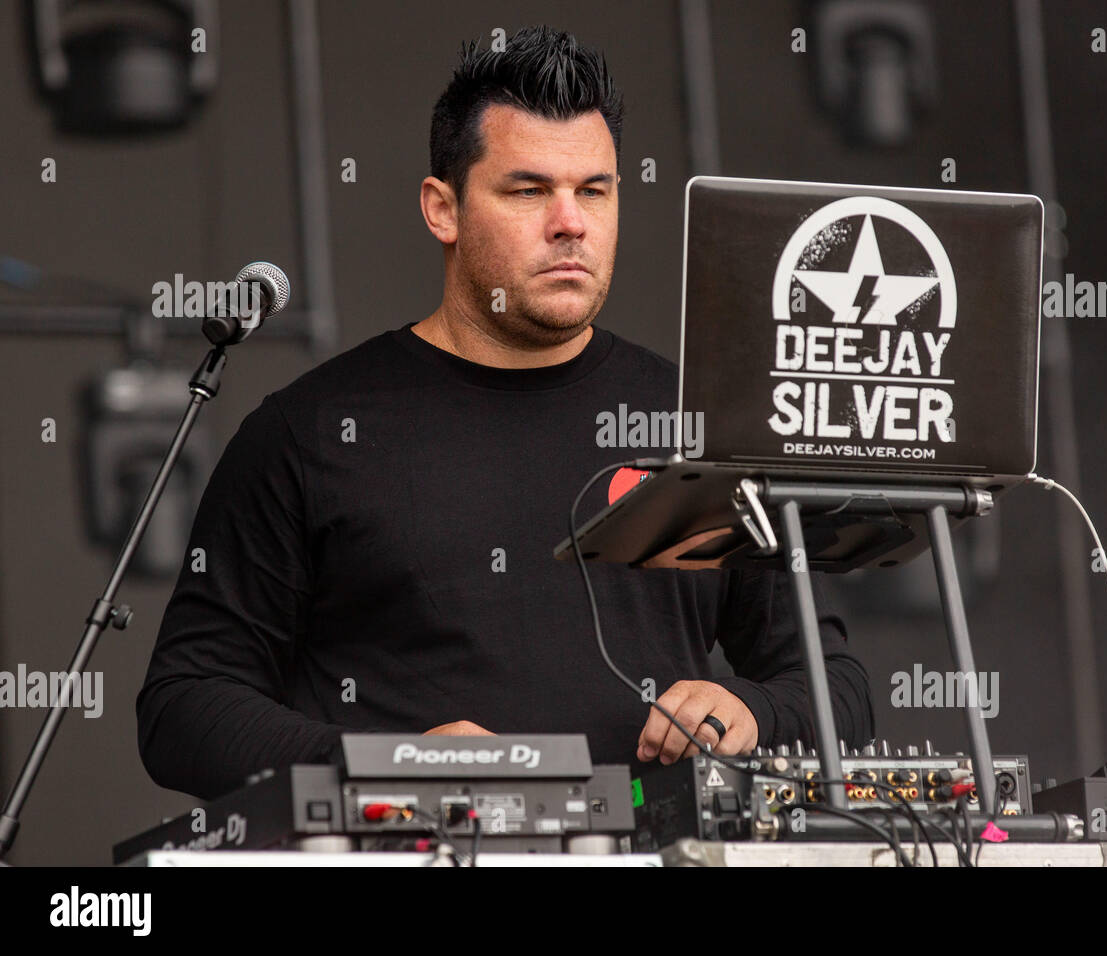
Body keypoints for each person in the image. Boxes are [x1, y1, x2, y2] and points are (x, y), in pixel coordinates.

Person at [137, 25, 873, 800]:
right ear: (442, 209)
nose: (571, 223)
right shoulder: (310, 432)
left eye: (595, 189)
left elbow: (840, 690)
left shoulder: (703, 424)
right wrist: (393, 764)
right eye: (528, 190)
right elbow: (183, 707)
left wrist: (752, 709)